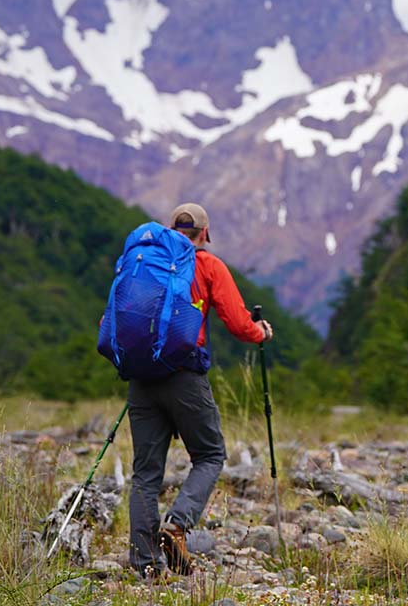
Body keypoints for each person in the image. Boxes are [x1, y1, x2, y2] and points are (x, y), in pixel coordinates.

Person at [127, 202, 272, 577]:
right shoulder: (207, 264)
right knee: (209, 455)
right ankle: (176, 525)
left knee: (145, 474)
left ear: (168, 229)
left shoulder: (144, 263)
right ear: (204, 234)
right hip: (184, 375)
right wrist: (262, 332)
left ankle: (145, 566)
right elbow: (239, 323)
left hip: (142, 376)